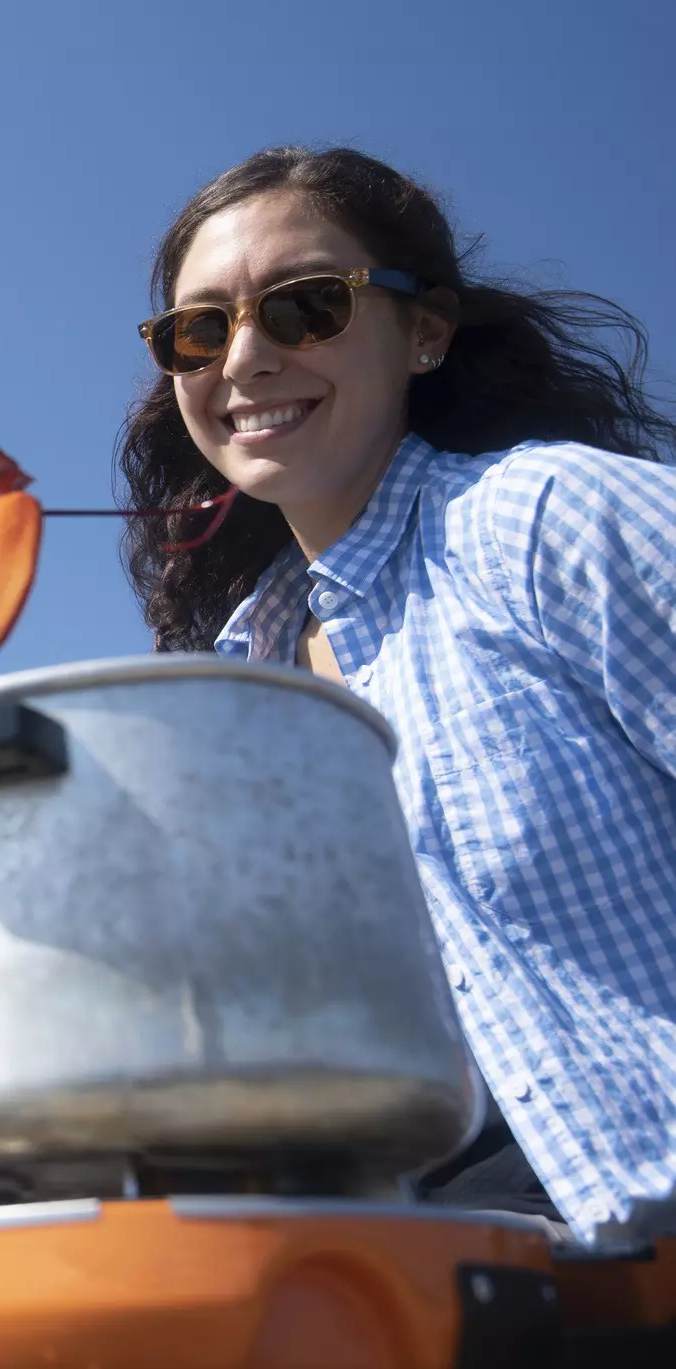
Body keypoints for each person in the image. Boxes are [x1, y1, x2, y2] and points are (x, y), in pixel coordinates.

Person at [119, 146, 676, 1248]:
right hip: (402, 1237)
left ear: (424, 331)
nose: (246, 358)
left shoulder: (545, 518)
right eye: (199, 329)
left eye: (305, 306)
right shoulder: (243, 681)